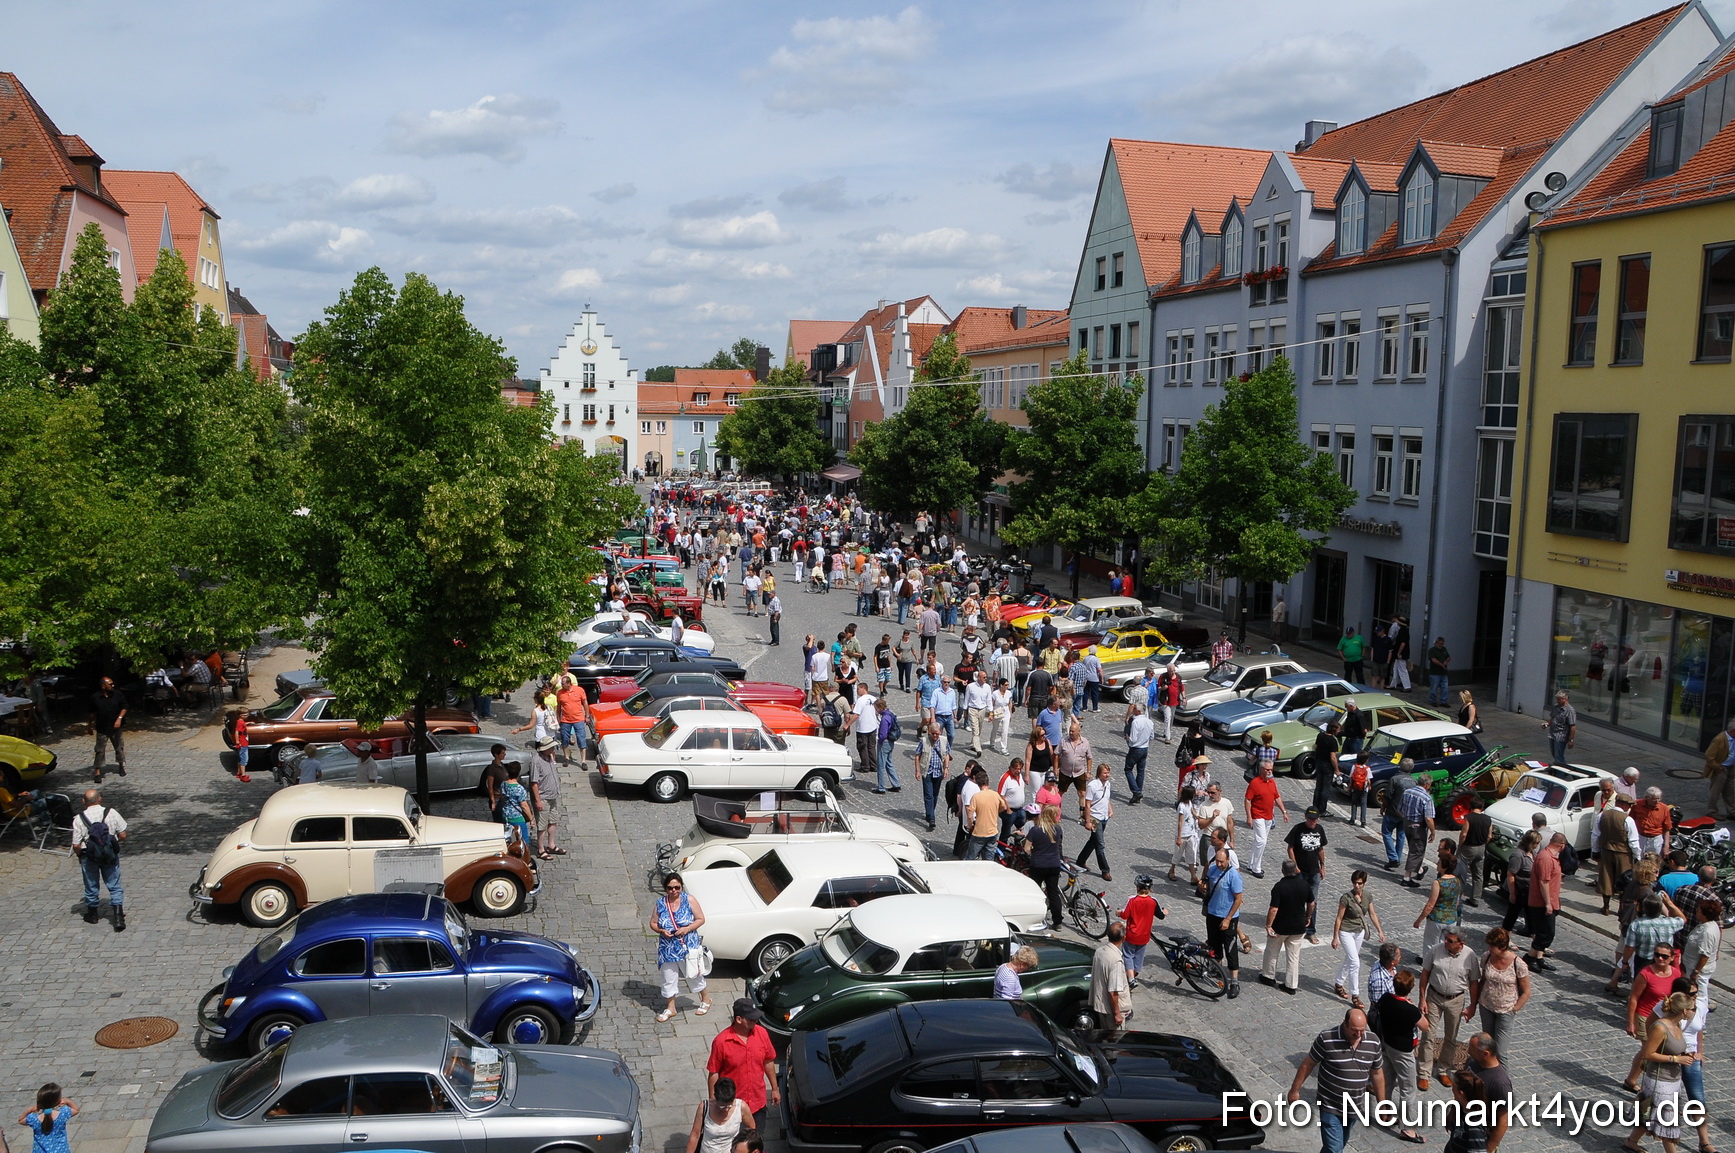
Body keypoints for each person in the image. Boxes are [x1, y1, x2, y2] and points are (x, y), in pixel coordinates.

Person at [1287, 1009, 1386, 1153]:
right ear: (1345, 1023)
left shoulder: (1373, 1041)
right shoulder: (1327, 1039)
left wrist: (1382, 1104)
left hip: (1354, 1106)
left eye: (1362, 1030)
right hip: (1330, 1105)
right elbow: (1307, 1064)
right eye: (1354, 1030)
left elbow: (1377, 1074)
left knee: (1337, 1145)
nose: (1359, 1034)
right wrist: (1294, 1090)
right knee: (1335, 1149)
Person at [1623, 990, 1695, 1153]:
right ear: (1684, 1011)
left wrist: (1685, 1055)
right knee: (1667, 1121)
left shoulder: (1677, 1025)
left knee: (1651, 1113)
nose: (1693, 1012)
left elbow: (1672, 1048)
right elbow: (1648, 1054)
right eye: (1692, 1009)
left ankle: (1631, 1140)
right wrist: (1676, 1059)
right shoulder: (1660, 1028)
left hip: (1673, 1079)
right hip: (1659, 1080)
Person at [1418, 926, 1481, 1090]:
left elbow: (1474, 982)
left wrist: (1473, 1006)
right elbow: (1425, 974)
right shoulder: (1436, 950)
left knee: (1451, 1037)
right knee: (1428, 1035)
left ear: (1461, 943)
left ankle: (1443, 1070)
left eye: (1450, 940)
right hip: (1434, 997)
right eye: (1446, 938)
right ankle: (1424, 1073)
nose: (1445, 942)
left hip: (1456, 1000)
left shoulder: (1470, 956)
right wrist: (1422, 998)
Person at [1370, 968, 1425, 1145]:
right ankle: (1407, 1128)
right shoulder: (1410, 1010)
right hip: (1403, 1052)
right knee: (1408, 1089)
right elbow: (1425, 1026)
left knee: (1388, 1080)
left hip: (1387, 1045)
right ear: (1411, 988)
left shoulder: (1386, 998)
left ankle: (1385, 1114)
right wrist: (1416, 1009)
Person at [707, 999, 779, 1131]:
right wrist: (713, 1102)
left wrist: (775, 1089)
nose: (755, 1021)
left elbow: (768, 1061)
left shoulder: (762, 1033)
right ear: (739, 1019)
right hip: (732, 1107)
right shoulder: (721, 1042)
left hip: (757, 1103)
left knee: (756, 1139)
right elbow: (714, 1072)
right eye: (751, 1019)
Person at [651, 872, 712, 1022]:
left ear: (681, 887)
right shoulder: (660, 903)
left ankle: (706, 999)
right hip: (667, 948)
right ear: (665, 888)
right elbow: (653, 923)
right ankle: (671, 1007)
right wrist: (661, 930)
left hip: (686, 946)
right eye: (670, 888)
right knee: (668, 977)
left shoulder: (689, 900)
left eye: (677, 887)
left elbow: (701, 919)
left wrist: (687, 928)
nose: (674, 891)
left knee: (693, 974)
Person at [1470, 928, 1530, 1061]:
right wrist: (1475, 1003)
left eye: (1492, 946)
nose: (1489, 948)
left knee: (1500, 1052)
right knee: (1486, 1047)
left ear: (1502, 947)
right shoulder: (1487, 957)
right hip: (1486, 1006)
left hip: (1506, 1010)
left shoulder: (1518, 964)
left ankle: (1502, 1074)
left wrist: (1514, 1009)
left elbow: (1526, 991)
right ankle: (1485, 1071)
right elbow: (1483, 980)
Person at [71, 788, 126, 931]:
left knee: (91, 884)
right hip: (109, 855)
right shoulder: (111, 813)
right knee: (114, 884)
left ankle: (93, 915)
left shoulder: (79, 819)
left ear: (83, 801)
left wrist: (79, 855)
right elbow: (123, 834)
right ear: (100, 799)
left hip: (89, 856)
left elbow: (76, 845)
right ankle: (118, 917)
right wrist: (112, 844)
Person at [1331, 869, 1385, 1005]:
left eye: (1359, 883)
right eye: (1355, 883)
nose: (1357, 885)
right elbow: (1339, 918)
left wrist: (1380, 931)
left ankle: (1339, 982)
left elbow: (1372, 914)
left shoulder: (1368, 896)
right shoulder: (1346, 898)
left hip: (1359, 931)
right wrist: (1335, 937)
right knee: (1355, 962)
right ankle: (1355, 994)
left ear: (1364, 884)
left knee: (1350, 959)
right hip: (1346, 932)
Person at [1260, 860, 1313, 995]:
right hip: (1298, 927)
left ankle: (1268, 976)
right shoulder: (1305, 885)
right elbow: (1311, 903)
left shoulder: (1279, 887)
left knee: (1272, 951)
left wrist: (1268, 925)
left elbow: (1273, 909)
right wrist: (1308, 916)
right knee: (1293, 957)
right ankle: (1291, 985)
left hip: (1280, 927)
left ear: (1282, 871)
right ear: (1296, 870)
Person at [1204, 843, 1244, 999]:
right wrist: (1202, 888)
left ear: (1228, 860)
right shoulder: (1213, 870)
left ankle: (1234, 982)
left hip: (1228, 917)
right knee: (1214, 944)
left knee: (1230, 948)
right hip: (1213, 913)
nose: (1219, 864)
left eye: (1222, 861)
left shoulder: (1233, 875)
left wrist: (1228, 918)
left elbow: (1238, 899)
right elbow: (1209, 887)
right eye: (1217, 861)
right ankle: (1217, 968)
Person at [1461, 1033, 1512, 1153]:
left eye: (1472, 1049)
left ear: (1486, 1053)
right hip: (1463, 1128)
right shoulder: (1472, 1062)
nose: (1468, 1051)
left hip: (1480, 1137)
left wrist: (1488, 1149)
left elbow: (1503, 1120)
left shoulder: (1500, 1083)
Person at [1523, 833, 1566, 972]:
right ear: (1562, 845)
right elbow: (1543, 882)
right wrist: (1548, 903)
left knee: (1543, 931)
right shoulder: (1546, 858)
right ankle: (1529, 957)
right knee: (1547, 933)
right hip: (1541, 903)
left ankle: (1538, 957)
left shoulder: (1551, 857)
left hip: (1551, 901)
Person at [1285, 808, 1328, 942]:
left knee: (1312, 902)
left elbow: (1321, 849)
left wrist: (1322, 866)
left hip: (1314, 871)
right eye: (1310, 819)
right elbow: (1290, 848)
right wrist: (1295, 866)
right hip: (1300, 871)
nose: (1312, 822)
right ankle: (1295, 926)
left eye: (1314, 820)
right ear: (1306, 818)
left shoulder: (1319, 830)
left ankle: (1310, 931)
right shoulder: (1298, 829)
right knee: (1297, 900)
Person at [1415, 840, 1464, 955]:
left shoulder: (1438, 883)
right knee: (1444, 947)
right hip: (1451, 919)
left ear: (1444, 866)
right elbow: (1457, 902)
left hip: (1437, 919)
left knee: (1430, 946)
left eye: (1439, 862)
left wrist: (1419, 920)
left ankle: (1428, 965)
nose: (1437, 864)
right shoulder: (1457, 881)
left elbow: (1430, 905)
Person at [1595, 795, 1642, 914]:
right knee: (1624, 880)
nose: (1629, 807)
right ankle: (1621, 908)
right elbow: (1633, 841)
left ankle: (1606, 907)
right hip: (1623, 854)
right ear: (1623, 804)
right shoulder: (1628, 820)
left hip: (1606, 851)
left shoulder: (1602, 815)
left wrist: (1595, 851)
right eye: (1629, 805)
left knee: (1606, 878)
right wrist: (1637, 856)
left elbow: (1595, 835)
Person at [1244, 759, 1288, 879]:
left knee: (1259, 841)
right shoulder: (1255, 783)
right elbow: (1247, 800)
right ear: (1261, 769)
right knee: (1261, 841)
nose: (1269, 772)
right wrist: (1249, 816)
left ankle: (1251, 863)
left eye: (1271, 769)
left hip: (1269, 816)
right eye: (1267, 769)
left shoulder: (1272, 782)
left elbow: (1277, 797)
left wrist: (1284, 811)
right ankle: (1256, 868)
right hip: (1257, 815)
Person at [686, 1076, 754, 1153]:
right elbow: (695, 1135)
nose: (726, 1109)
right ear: (715, 1097)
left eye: (729, 1106)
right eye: (722, 1106)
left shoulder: (741, 1107)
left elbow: (751, 1128)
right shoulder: (704, 1107)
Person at [1119, 876, 1166, 985]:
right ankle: (1135, 973)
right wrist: (1165, 912)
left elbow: (1124, 915)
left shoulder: (1132, 900)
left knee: (1128, 955)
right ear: (1150, 889)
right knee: (1139, 956)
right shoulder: (1153, 901)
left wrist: (1119, 912)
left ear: (1137, 888)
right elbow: (1161, 915)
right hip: (1144, 935)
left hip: (1131, 934)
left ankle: (1131, 978)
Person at [1027, 803, 1066, 929]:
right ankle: (1057, 922)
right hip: (1054, 864)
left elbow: (1027, 848)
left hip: (1038, 864)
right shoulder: (1058, 829)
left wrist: (1034, 852)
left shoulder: (1035, 830)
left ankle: (1035, 918)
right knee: (1053, 893)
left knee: (1035, 892)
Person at [1075, 761, 1114, 880]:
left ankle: (1080, 860)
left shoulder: (1107, 784)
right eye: (1105, 773)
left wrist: (1110, 809)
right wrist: (1087, 821)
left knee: (1093, 841)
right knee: (1100, 844)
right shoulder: (1093, 786)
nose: (1107, 775)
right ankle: (1105, 870)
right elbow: (1087, 804)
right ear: (1099, 773)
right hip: (1094, 818)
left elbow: (1106, 798)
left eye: (1108, 773)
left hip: (1104, 817)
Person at [1681, 897, 1722, 1009]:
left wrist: (1696, 972)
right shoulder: (1705, 925)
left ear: (1704, 914)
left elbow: (1705, 955)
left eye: (1699, 910)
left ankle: (1700, 1011)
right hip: (1691, 966)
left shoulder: (1707, 932)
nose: (1696, 911)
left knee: (1700, 995)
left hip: (1698, 970)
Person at [1090, 922, 1132, 1030]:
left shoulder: (1099, 951)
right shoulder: (1116, 960)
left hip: (1101, 1005)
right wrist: (1117, 1013)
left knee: (1105, 1034)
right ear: (1124, 938)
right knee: (1115, 1038)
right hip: (1112, 1010)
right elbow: (1113, 991)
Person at [1398, 776, 1436, 887]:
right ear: (1427, 785)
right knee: (1416, 851)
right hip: (1418, 827)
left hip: (1407, 824)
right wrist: (1433, 832)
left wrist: (1407, 818)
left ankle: (1419, 870)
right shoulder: (1426, 798)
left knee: (1413, 847)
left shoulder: (1407, 792)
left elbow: (1400, 809)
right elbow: (1428, 818)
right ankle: (1407, 877)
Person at [529, 738, 563, 860]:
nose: (553, 749)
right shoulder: (536, 761)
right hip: (543, 797)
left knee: (553, 821)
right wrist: (538, 800)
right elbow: (534, 783)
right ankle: (540, 849)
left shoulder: (549, 757)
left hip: (552, 796)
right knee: (542, 825)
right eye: (551, 747)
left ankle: (551, 845)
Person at [89, 676, 127, 783]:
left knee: (119, 747)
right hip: (102, 727)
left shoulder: (117, 694)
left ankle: (121, 765)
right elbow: (91, 713)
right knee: (100, 749)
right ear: (103, 686)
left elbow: (124, 707)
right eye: (110, 684)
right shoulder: (95, 697)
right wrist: (89, 726)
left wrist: (119, 718)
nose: (112, 685)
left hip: (116, 727)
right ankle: (97, 771)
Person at [17, 1084, 76, 1153]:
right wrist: (67, 1101)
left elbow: (21, 1120)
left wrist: (30, 1109)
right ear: (58, 1100)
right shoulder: (62, 1114)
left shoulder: (34, 1119)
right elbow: (76, 1109)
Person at [1502, 829, 1541, 935]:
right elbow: (1511, 874)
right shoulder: (1518, 855)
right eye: (1536, 843)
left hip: (1529, 891)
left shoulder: (1533, 853)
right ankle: (1505, 937)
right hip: (1519, 890)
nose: (1538, 845)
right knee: (1512, 915)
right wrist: (1512, 894)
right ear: (1530, 842)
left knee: (1531, 916)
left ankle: (1534, 939)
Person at [965, 766, 1008, 861]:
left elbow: (970, 816)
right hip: (993, 832)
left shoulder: (976, 797)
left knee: (970, 858)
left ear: (977, 783)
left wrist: (969, 827)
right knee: (989, 859)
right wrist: (996, 811)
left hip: (979, 833)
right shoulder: (995, 794)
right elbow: (1004, 807)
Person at [916, 719, 951, 832]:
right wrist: (917, 771)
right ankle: (932, 818)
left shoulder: (944, 741)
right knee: (928, 795)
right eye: (933, 733)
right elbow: (917, 756)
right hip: (927, 771)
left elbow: (947, 755)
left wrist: (946, 768)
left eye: (937, 733)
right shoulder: (924, 741)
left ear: (940, 732)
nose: (935, 736)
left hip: (938, 772)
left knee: (935, 795)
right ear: (929, 732)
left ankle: (929, 812)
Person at [1700, 718, 1735, 819]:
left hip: (1731, 767)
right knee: (1716, 790)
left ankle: (1732, 811)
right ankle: (1712, 811)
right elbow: (1709, 755)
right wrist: (1717, 766)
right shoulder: (1719, 739)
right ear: (1733, 731)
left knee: (1730, 791)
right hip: (1721, 768)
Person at [556, 675, 592, 768]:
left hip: (578, 719)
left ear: (569, 683)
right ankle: (567, 758)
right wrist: (558, 718)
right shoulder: (560, 693)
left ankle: (583, 761)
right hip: (565, 720)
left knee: (581, 739)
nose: (561, 685)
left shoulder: (579, 690)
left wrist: (587, 716)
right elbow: (559, 706)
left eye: (563, 684)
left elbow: (585, 703)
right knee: (565, 739)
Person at [499, 763, 533, 851]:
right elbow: (524, 806)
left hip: (506, 816)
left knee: (510, 840)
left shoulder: (503, 784)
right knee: (524, 841)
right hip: (517, 817)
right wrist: (531, 819)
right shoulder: (519, 788)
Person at [1124, 704, 1153, 804]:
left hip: (1135, 749)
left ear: (1139, 711)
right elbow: (1152, 736)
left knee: (1128, 769)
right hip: (1145, 748)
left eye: (1135, 709)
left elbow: (1133, 739)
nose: (1133, 710)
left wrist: (1128, 738)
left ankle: (1136, 792)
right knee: (1140, 771)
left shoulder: (1136, 722)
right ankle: (1138, 793)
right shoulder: (1149, 722)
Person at [872, 697, 901, 795]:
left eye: (876, 708)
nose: (876, 710)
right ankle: (896, 784)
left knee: (881, 765)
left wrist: (879, 741)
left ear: (880, 707)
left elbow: (883, 734)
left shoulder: (884, 718)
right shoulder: (890, 714)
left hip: (884, 743)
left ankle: (881, 787)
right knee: (889, 762)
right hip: (891, 742)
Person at [849, 687, 880, 780]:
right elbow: (878, 712)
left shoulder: (860, 700)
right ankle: (873, 765)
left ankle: (865, 766)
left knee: (862, 747)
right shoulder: (873, 698)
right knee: (871, 747)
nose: (857, 691)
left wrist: (847, 724)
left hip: (863, 728)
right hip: (873, 726)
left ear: (863, 689)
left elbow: (856, 714)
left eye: (858, 689)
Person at [1543, 689, 1577, 763]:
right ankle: (1559, 766)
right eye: (1557, 699)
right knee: (1554, 754)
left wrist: (1571, 740)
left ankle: (1561, 769)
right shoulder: (1556, 707)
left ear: (1565, 699)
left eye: (1559, 699)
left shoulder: (1570, 710)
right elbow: (1553, 718)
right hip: (1552, 734)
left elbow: (1573, 726)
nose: (1557, 701)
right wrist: (1547, 724)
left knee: (1559, 756)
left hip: (1561, 736)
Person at [1427, 637, 1452, 707]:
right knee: (1434, 687)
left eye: (1442, 644)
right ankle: (1433, 700)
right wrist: (1442, 665)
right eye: (1440, 644)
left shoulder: (1444, 649)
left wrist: (1446, 661)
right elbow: (1433, 660)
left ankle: (1443, 701)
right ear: (1436, 643)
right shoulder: (1432, 650)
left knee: (1445, 687)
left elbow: (1448, 657)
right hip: (1435, 672)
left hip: (1443, 672)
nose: (1441, 645)